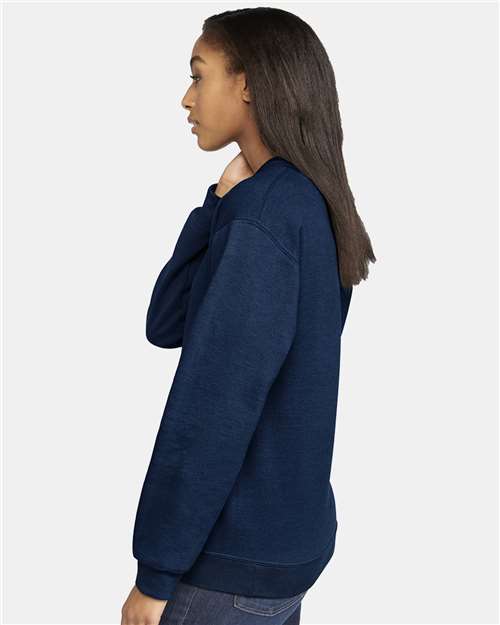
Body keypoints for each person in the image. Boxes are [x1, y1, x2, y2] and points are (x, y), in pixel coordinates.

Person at [121, 7, 376, 625]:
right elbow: (166, 323)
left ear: (248, 83)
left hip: (228, 566)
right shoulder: (303, 200)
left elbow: (212, 408)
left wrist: (155, 573)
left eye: (198, 74)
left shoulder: (264, 220)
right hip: (284, 548)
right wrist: (217, 204)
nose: (186, 98)